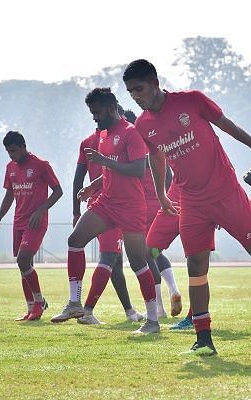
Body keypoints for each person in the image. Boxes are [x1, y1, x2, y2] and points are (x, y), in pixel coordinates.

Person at [123, 59, 251, 356]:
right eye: (130, 92)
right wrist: (162, 195)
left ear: (154, 82)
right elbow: (156, 157)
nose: (136, 97)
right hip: (191, 203)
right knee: (195, 267)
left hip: (225, 193)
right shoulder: (143, 124)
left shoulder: (191, 101)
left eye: (139, 89)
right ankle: (203, 339)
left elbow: (226, 125)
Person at [65, 87, 158, 334]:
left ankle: (152, 321)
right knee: (75, 240)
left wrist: (104, 162)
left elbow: (138, 169)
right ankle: (75, 303)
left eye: (96, 112)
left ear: (110, 107)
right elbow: (109, 171)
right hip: (106, 201)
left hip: (130, 206)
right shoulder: (105, 134)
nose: (94, 117)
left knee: (138, 260)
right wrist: (92, 186)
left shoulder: (131, 132)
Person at [51, 105, 144, 324]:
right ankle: (86, 310)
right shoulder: (118, 138)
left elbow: (77, 180)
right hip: (113, 204)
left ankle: (130, 311)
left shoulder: (88, 141)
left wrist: (76, 211)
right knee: (110, 258)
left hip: (95, 205)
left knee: (116, 262)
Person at [0, 131, 63, 321]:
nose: (11, 155)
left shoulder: (41, 165)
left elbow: (58, 191)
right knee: (25, 266)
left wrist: (41, 210)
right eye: (8, 152)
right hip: (18, 221)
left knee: (23, 260)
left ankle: (39, 302)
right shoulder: (10, 168)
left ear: (23, 146)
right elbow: (9, 196)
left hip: (36, 222)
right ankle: (31, 307)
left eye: (13, 150)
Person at [141, 160, 183, 318]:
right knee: (155, 252)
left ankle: (159, 308)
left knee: (146, 255)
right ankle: (173, 288)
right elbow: (169, 174)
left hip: (142, 206)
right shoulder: (156, 144)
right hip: (160, 205)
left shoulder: (132, 143)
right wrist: (163, 197)